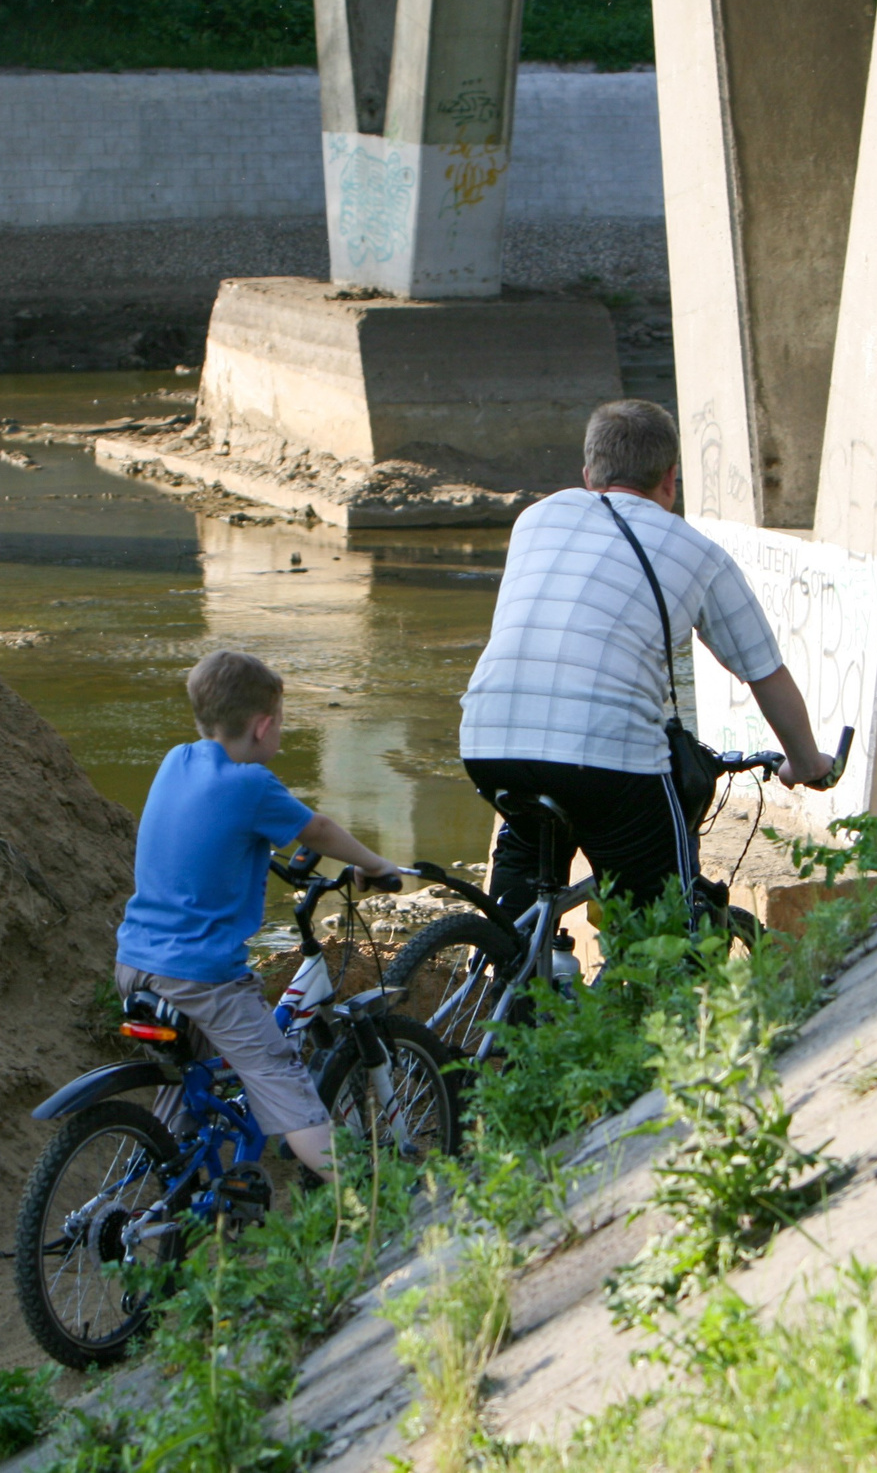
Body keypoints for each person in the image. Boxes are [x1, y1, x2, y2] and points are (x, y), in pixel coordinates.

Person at [460, 398, 835, 921]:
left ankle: (499, 957)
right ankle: (659, 963)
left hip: (487, 741)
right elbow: (764, 674)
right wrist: (807, 763)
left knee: (528, 847)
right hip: (606, 756)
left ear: (588, 473)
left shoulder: (536, 518)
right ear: (670, 479)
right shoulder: (700, 553)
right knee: (664, 918)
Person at [115, 648, 399, 1181]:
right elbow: (317, 830)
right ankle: (376, 1202)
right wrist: (374, 863)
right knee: (282, 1082)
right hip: (203, 978)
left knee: (188, 1084)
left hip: (135, 963)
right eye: (282, 724)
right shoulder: (251, 785)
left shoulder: (176, 760)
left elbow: (204, 836)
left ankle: (166, 1198)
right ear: (264, 726)